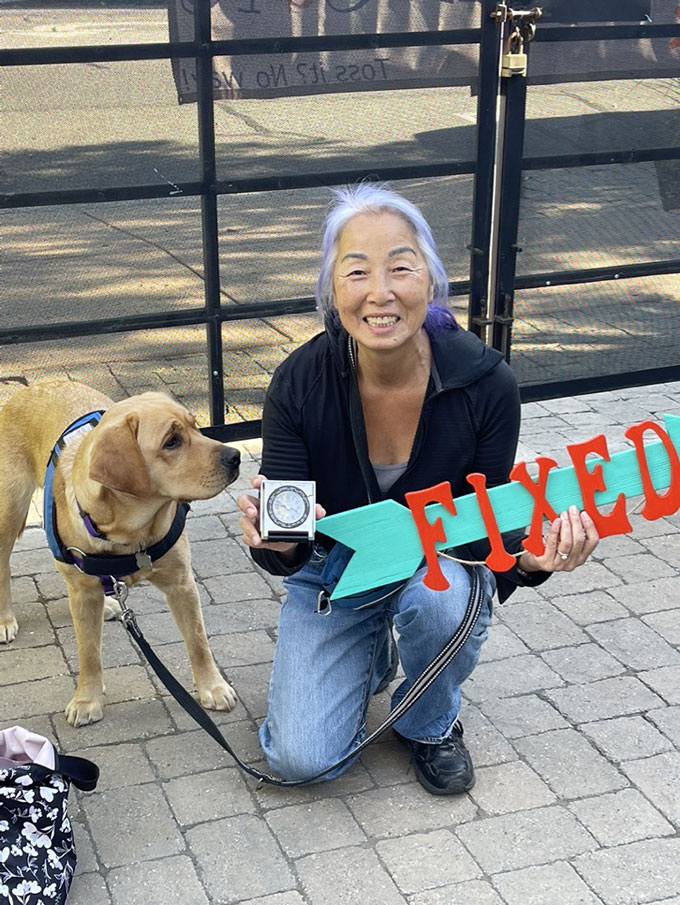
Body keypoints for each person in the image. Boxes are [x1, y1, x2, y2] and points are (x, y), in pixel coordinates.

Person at [237, 182, 599, 794]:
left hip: (438, 560)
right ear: (333, 291)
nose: (380, 292)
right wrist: (276, 546)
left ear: (429, 281)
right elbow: (288, 536)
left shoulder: (486, 384)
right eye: (356, 272)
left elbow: (490, 523)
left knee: (439, 598)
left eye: (400, 267)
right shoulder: (298, 382)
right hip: (333, 571)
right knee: (300, 761)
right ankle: (370, 653)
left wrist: (530, 559)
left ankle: (429, 722)